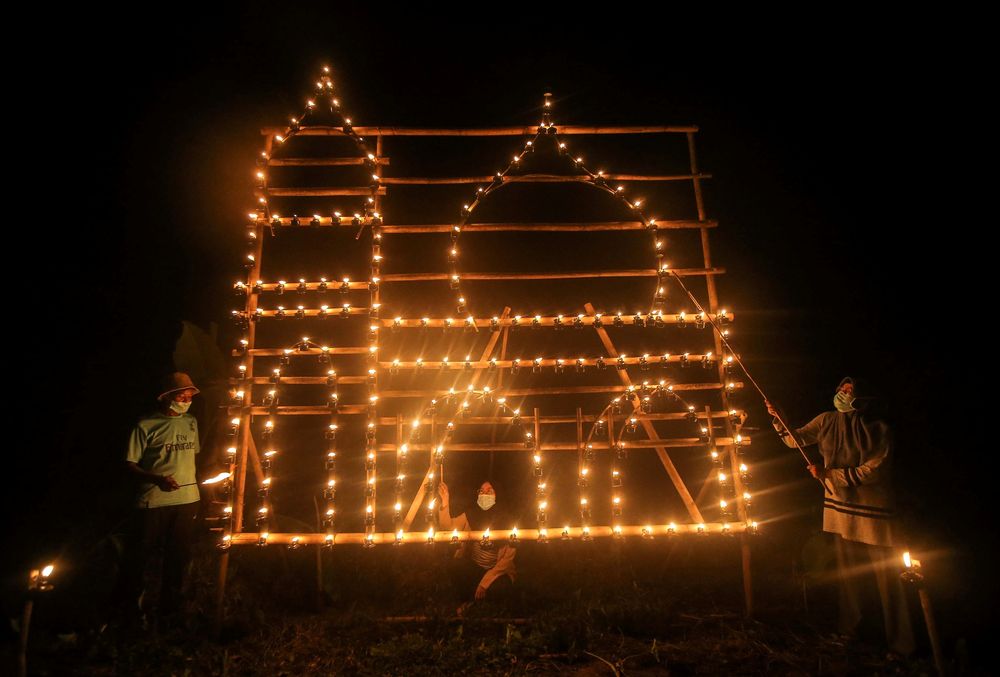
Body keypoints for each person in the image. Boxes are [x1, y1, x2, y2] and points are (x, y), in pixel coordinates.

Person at [767, 377, 915, 657]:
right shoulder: (826, 420)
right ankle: (852, 631)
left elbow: (876, 469)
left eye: (850, 391)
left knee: (887, 578)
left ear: (865, 398)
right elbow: (793, 440)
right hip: (840, 510)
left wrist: (830, 475)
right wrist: (779, 417)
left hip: (874, 514)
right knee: (849, 575)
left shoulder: (878, 428)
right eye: (841, 389)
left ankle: (900, 644)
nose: (843, 394)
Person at [117, 372, 202, 627]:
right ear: (166, 397)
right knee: (140, 556)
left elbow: (192, 456)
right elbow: (129, 464)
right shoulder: (145, 425)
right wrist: (156, 479)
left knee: (179, 556)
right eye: (181, 394)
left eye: (189, 395)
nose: (186, 398)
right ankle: (131, 609)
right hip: (152, 501)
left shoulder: (191, 423)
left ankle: (170, 609)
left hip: (187, 499)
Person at [436, 479, 516, 613]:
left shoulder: (506, 521)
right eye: (481, 491)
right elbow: (447, 528)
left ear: (497, 494)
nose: (485, 494)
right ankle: (469, 601)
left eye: (489, 490)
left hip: (496, 570)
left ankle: (490, 608)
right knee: (456, 567)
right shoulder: (470, 514)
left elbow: (507, 561)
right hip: (475, 566)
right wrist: (445, 502)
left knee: (502, 587)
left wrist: (484, 584)